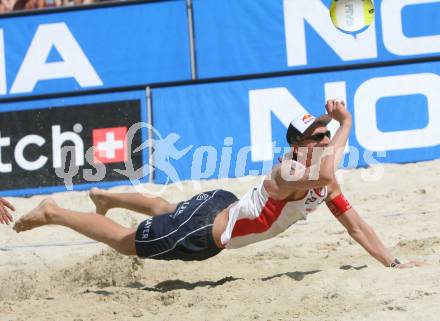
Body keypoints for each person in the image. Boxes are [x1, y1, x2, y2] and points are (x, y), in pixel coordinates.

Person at [10, 100, 423, 268]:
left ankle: (105, 194)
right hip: (207, 230)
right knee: (124, 240)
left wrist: (393, 263)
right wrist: (344, 122)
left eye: (324, 135)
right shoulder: (293, 170)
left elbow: (355, 226)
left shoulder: (317, 176)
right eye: (317, 136)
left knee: (166, 209)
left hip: (220, 204)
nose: (324, 139)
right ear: (298, 146)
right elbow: (329, 169)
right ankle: (55, 212)